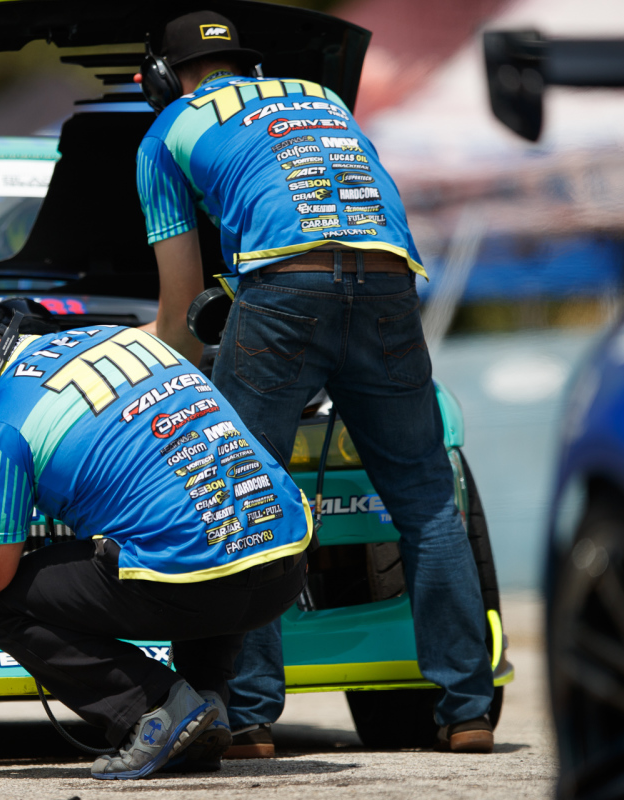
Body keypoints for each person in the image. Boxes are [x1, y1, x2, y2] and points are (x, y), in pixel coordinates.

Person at [132, 11, 496, 754]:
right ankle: (467, 711)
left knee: (245, 496)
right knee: (427, 503)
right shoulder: (321, 98)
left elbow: (179, 307)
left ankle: (252, 712)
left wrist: (145, 351)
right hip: (391, 281)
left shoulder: (166, 132)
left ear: (162, 79)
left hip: (285, 292)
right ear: (252, 65)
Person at [0, 313, 312, 778]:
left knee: (3, 605)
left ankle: (155, 710)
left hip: (195, 586)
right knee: (190, 522)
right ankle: (205, 697)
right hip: (283, 564)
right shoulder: (120, 337)